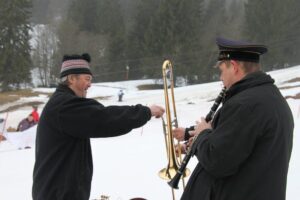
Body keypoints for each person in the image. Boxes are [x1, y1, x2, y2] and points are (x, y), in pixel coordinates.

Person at [173, 37, 294, 200]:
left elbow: (217, 161)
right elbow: (236, 146)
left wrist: (203, 135)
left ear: (235, 67)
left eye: (222, 70)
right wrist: (198, 136)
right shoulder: (269, 97)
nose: (221, 77)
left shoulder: (245, 105)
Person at [32, 53, 165, 200]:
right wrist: (146, 112)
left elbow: (99, 114)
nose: (90, 84)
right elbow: (104, 118)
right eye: (87, 79)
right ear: (71, 78)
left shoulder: (64, 103)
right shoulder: (65, 107)